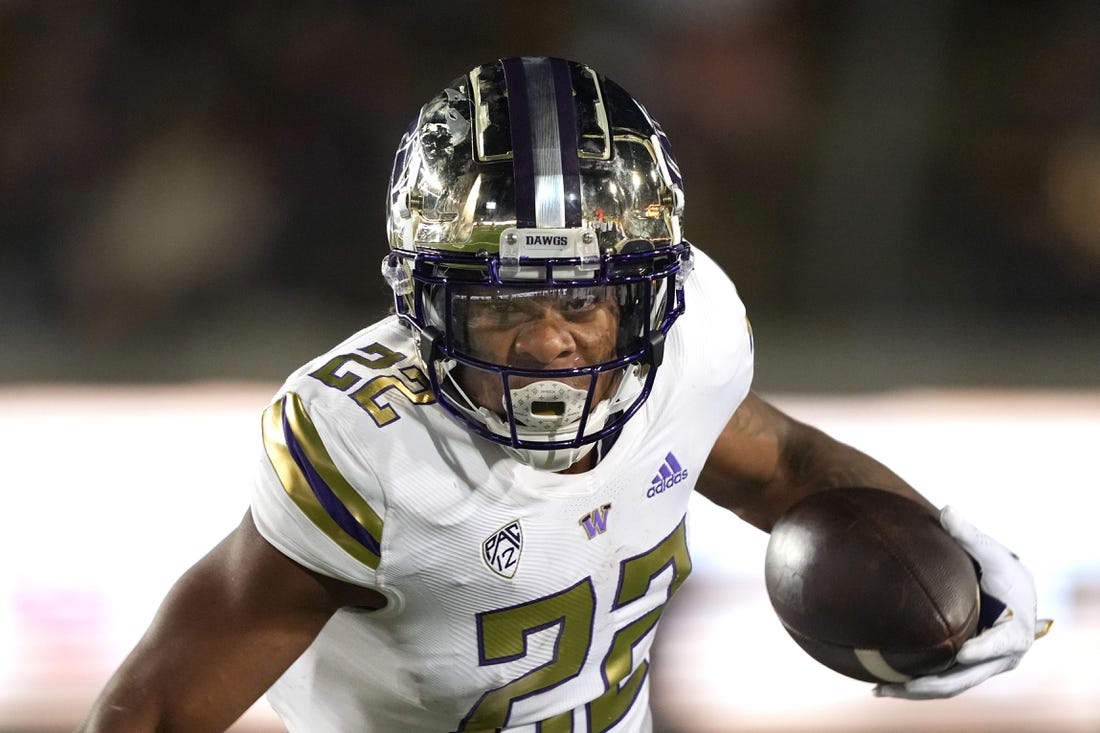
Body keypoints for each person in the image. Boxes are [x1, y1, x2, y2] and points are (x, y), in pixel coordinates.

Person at [78, 56, 1048, 733]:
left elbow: (778, 464)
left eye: (583, 297)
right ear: (428, 301)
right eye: (506, 301)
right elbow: (155, 710)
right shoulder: (369, 451)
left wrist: (934, 537)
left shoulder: (682, 342)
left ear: (643, 296)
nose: (550, 338)